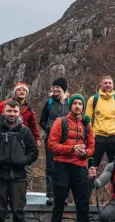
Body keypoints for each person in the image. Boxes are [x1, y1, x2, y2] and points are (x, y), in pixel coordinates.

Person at [47, 94, 98, 222]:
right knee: (59, 203)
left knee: (83, 205)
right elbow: (51, 144)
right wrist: (71, 149)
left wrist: (85, 153)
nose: (77, 106)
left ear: (83, 107)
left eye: (80, 104)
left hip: (80, 168)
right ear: (70, 106)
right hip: (62, 166)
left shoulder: (87, 126)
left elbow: (92, 147)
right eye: (75, 103)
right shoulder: (60, 122)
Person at [85, 76, 115, 195]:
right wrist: (90, 136)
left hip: (113, 138)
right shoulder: (93, 100)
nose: (108, 85)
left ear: (113, 85)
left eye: (110, 83)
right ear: (100, 84)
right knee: (91, 168)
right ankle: (85, 197)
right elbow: (88, 120)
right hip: (97, 137)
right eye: (105, 83)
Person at [39, 77, 70, 205]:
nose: (55, 89)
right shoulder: (49, 103)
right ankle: (51, 195)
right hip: (51, 139)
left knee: (66, 167)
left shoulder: (69, 103)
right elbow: (42, 121)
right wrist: (50, 128)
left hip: (67, 139)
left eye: (58, 87)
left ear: (63, 89)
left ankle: (65, 196)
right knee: (51, 167)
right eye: (54, 87)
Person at [0, 82, 41, 147]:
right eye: (19, 90)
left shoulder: (28, 109)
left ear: (27, 93)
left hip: (21, 139)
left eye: (24, 90)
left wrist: (37, 138)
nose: (22, 92)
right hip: (5, 137)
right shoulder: (6, 104)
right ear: (15, 92)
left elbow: (32, 125)